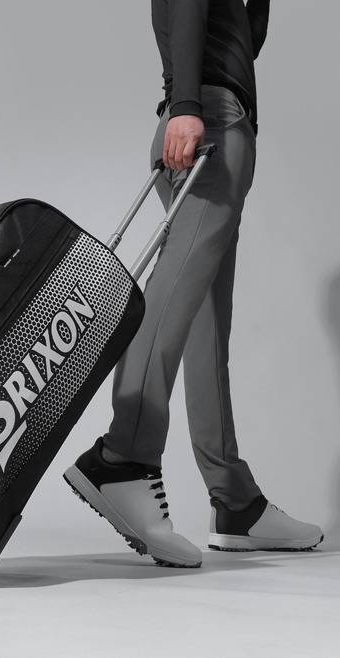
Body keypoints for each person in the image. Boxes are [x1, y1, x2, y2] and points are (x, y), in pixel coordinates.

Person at [64, 0, 323, 567]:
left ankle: (235, 501)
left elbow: (244, 43)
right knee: (172, 297)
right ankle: (124, 458)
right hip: (207, 122)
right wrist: (185, 106)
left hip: (216, 117)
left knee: (205, 321)